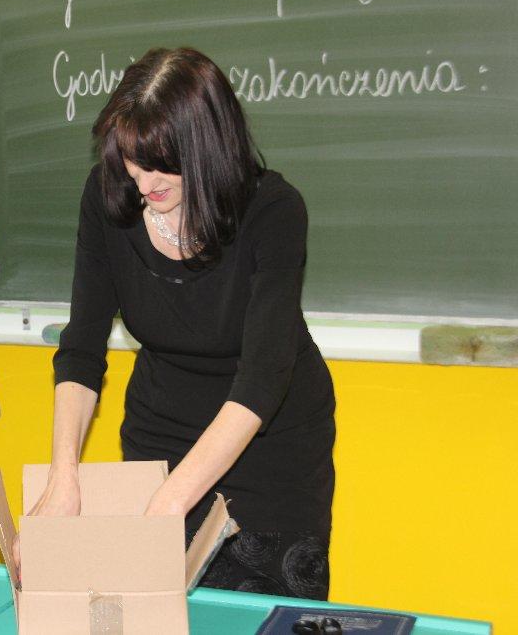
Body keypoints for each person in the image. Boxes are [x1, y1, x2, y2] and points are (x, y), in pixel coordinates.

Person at [26, 47, 336, 599]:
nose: (143, 182)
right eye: (132, 160)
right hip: (161, 430)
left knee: (261, 613)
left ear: (207, 147)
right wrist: (63, 476)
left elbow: (263, 378)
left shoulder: (273, 210)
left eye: (161, 164)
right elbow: (81, 348)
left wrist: (171, 502)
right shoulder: (109, 198)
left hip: (269, 447)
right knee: (157, 612)